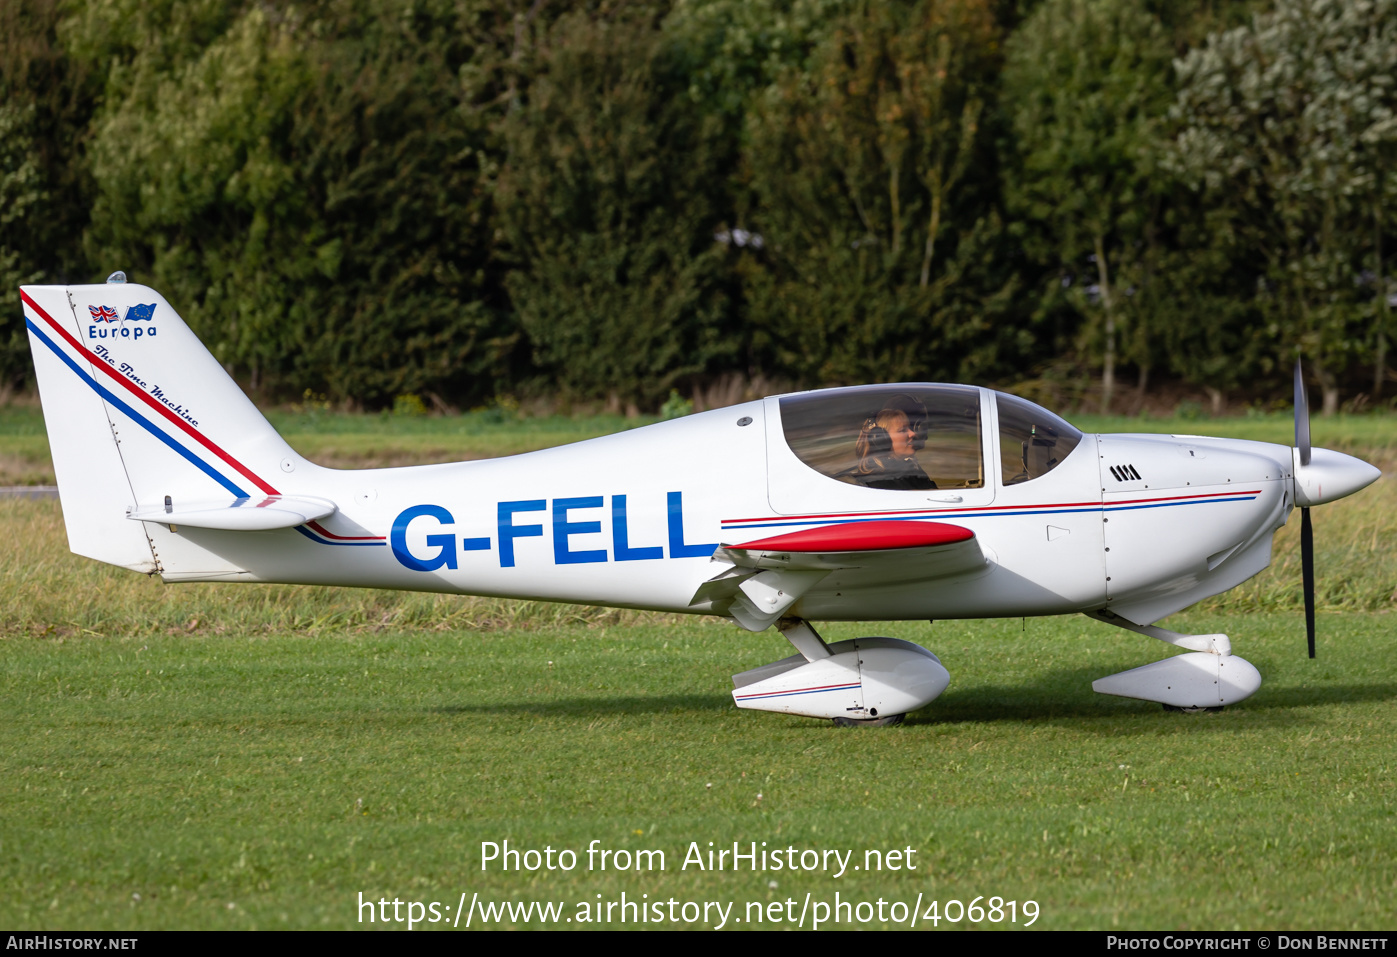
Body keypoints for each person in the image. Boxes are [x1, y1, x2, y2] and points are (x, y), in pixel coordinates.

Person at [852, 408, 935, 490]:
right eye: (902, 430)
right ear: (882, 439)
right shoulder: (878, 484)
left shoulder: (910, 470)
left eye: (909, 428)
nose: (912, 433)